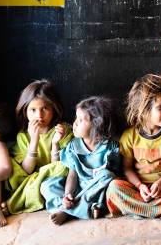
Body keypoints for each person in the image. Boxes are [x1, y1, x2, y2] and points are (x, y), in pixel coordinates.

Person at [106, 74, 161, 221]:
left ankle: (141, 211)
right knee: (114, 188)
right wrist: (140, 186)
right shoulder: (129, 136)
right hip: (138, 189)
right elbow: (127, 169)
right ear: (144, 110)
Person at [41, 96, 119, 225]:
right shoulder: (73, 146)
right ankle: (80, 207)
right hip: (77, 188)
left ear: (96, 126)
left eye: (81, 120)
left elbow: (112, 175)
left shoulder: (110, 147)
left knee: (107, 176)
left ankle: (66, 211)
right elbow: (73, 175)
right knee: (47, 185)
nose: (75, 123)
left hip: (95, 191)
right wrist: (67, 195)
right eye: (76, 118)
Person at [3, 79, 73, 215]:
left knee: (65, 166)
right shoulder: (23, 136)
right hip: (32, 178)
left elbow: (58, 167)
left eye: (44, 109)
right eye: (33, 110)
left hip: (54, 180)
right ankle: (36, 193)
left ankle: (15, 202)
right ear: (25, 111)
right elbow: (26, 171)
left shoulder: (62, 130)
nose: (39, 115)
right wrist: (34, 141)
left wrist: (55, 143)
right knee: (12, 170)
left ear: (54, 108)